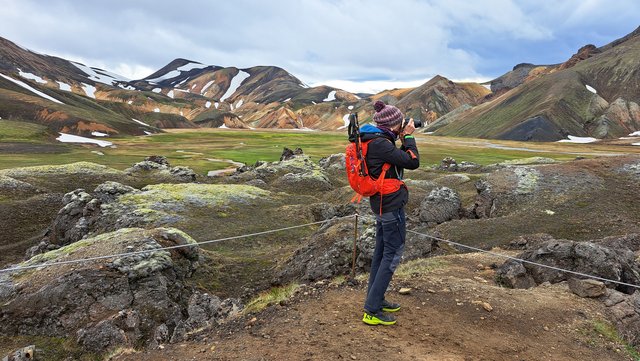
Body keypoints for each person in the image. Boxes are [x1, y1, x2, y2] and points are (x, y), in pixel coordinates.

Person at [361, 100, 419, 326]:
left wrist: (401, 136)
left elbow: (399, 160)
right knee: (392, 253)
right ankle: (372, 310)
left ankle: (376, 299)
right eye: (400, 123)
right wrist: (409, 137)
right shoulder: (381, 144)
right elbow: (413, 162)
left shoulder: (376, 140)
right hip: (390, 205)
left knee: (382, 252)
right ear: (394, 125)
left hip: (383, 203)